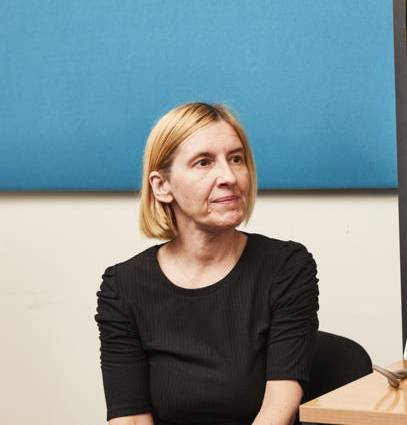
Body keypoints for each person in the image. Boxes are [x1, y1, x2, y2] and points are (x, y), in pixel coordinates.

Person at [95, 103, 319, 425]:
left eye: (236, 159)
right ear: (162, 186)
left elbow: (278, 408)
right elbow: (130, 418)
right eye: (204, 162)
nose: (229, 177)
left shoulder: (286, 267)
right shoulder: (123, 287)